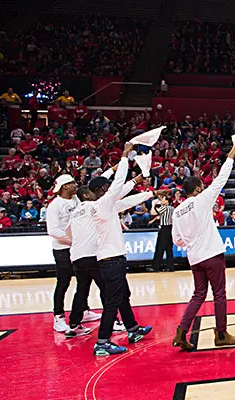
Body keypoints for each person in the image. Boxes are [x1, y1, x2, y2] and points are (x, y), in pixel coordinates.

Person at [172, 142, 235, 351]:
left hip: (194, 257)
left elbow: (177, 240)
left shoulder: (177, 211)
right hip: (211, 254)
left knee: (198, 294)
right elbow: (221, 179)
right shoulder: (202, 200)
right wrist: (231, 155)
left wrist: (192, 240)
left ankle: (181, 331)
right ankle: (221, 334)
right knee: (219, 293)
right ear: (197, 189)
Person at [91, 143, 154, 356]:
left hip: (112, 259)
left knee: (123, 295)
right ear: (102, 190)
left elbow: (125, 197)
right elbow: (119, 185)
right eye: (106, 187)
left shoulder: (106, 206)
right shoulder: (102, 204)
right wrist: (126, 155)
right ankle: (102, 341)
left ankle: (133, 329)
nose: (109, 189)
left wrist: (148, 193)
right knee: (112, 301)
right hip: (111, 260)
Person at [66, 177, 146, 338]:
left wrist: (79, 243)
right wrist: (136, 182)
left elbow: (68, 233)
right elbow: (117, 194)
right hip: (95, 254)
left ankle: (74, 324)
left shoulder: (74, 213)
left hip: (77, 256)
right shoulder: (96, 206)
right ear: (88, 195)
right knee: (114, 293)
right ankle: (113, 328)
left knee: (81, 291)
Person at [46, 174, 100, 333]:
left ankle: (84, 311)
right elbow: (53, 231)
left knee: (84, 281)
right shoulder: (54, 205)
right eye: (72, 183)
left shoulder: (77, 200)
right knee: (63, 282)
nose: (76, 185)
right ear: (64, 187)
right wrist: (74, 240)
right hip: (62, 249)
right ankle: (58, 316)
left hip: (77, 248)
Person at [148, 193, 174, 272]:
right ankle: (170, 267)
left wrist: (153, 205)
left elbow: (153, 213)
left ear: (166, 201)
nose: (161, 200)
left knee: (160, 248)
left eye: (163, 199)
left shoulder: (164, 208)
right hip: (170, 228)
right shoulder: (172, 208)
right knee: (169, 249)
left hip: (164, 229)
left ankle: (156, 267)